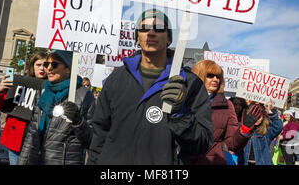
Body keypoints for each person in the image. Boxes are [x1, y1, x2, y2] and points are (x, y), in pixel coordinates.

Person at [88, 9, 213, 165]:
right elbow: (100, 134)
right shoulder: (117, 79)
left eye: (159, 28)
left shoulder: (190, 83)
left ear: (169, 39)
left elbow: (202, 145)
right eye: (144, 28)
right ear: (137, 39)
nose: (151, 32)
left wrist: (180, 116)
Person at [18, 50, 95, 165]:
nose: (48, 68)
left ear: (68, 69)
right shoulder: (43, 89)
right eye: (46, 64)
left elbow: (92, 141)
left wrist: (78, 121)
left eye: (54, 64)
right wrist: (22, 162)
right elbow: (31, 134)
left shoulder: (83, 95)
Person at [191, 60, 262, 165]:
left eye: (218, 76)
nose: (216, 79)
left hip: (213, 161)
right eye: (210, 75)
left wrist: (244, 130)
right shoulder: (184, 99)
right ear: (199, 75)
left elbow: (232, 143)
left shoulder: (227, 105)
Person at [0, 52, 47, 165]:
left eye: (45, 65)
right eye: (38, 64)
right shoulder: (19, 83)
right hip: (16, 141)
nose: (42, 68)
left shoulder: (52, 87)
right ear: (32, 66)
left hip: (39, 144)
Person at [237, 100, 283, 165]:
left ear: (263, 117)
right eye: (254, 115)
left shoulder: (266, 131)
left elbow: (278, 127)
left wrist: (270, 110)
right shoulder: (242, 129)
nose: (257, 119)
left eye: (260, 116)